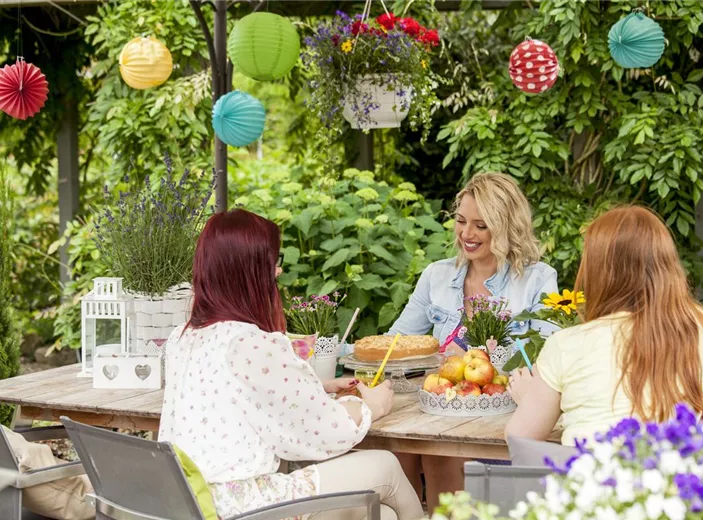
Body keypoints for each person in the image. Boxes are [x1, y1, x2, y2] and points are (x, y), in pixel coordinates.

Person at [159, 209, 423, 520]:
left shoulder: (182, 338)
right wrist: (368, 405)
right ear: (251, 271)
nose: (279, 270)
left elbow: (235, 398)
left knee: (386, 515)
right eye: (272, 261)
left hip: (189, 502)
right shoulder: (250, 343)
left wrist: (317, 388)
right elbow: (326, 432)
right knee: (385, 466)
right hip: (244, 508)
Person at [505, 206, 703, 447]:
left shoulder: (565, 344)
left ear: (597, 272)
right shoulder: (702, 329)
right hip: (671, 471)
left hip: (588, 471)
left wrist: (530, 399)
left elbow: (519, 438)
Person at [388, 172, 558, 512]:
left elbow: (547, 358)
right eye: (461, 221)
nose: (466, 234)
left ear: (506, 227)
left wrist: (481, 358)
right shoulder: (437, 275)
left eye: (481, 225)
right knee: (397, 448)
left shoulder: (537, 279)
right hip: (443, 410)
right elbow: (396, 344)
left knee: (438, 449)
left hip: (503, 418)